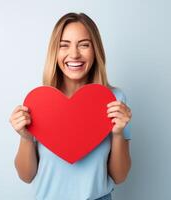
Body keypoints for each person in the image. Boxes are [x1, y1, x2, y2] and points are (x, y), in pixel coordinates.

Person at [9, 12, 132, 200]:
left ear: (95, 50)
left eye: (84, 44)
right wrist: (25, 137)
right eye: (64, 45)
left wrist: (117, 133)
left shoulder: (114, 100)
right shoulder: (39, 102)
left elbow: (120, 176)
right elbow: (26, 176)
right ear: (55, 52)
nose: (74, 54)